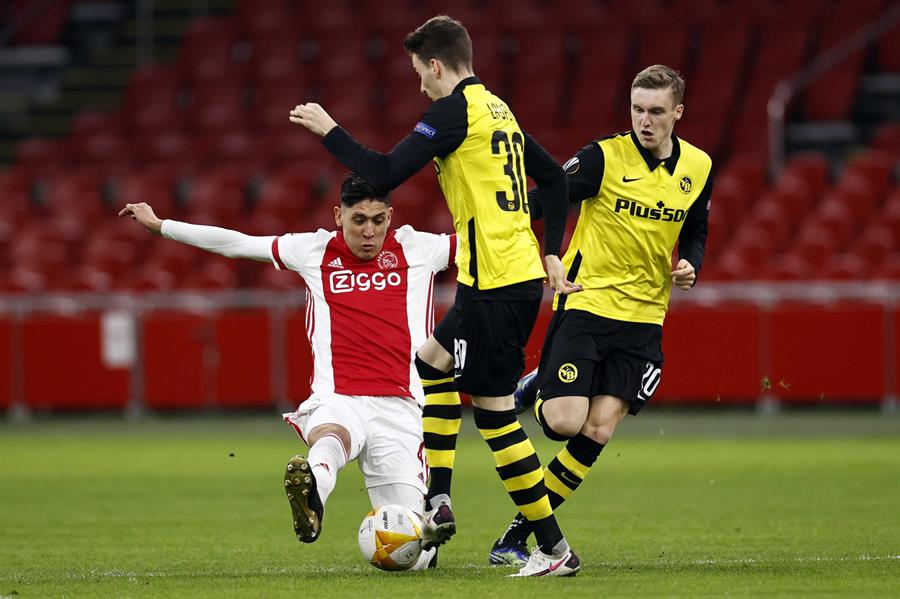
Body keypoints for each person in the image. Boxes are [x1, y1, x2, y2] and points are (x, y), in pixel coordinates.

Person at [289, 15, 581, 577]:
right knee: (430, 361)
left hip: (498, 284)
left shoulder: (454, 112)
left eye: (420, 72)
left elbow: (384, 171)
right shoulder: (499, 109)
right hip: (496, 279)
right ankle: (438, 499)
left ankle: (553, 549)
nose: (419, 84)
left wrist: (329, 129)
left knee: (496, 418)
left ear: (437, 65)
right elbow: (554, 179)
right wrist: (548, 249)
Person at [119, 173, 457, 571]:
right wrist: (163, 226)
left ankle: (425, 531)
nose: (369, 231)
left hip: (400, 407)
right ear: (338, 215)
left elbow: (492, 239)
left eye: (378, 220)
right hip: (339, 396)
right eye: (358, 220)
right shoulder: (314, 249)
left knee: (415, 555)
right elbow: (238, 243)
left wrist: (547, 192)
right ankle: (311, 495)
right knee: (331, 435)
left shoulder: (420, 248)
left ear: (391, 216)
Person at [489, 64, 714, 566]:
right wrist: (544, 253)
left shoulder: (698, 166)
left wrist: (690, 263)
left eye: (656, 111)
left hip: (645, 317)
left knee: (599, 430)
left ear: (678, 112)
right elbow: (546, 197)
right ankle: (539, 386)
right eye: (637, 109)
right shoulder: (601, 158)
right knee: (565, 423)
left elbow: (697, 226)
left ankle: (516, 536)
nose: (645, 120)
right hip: (588, 302)